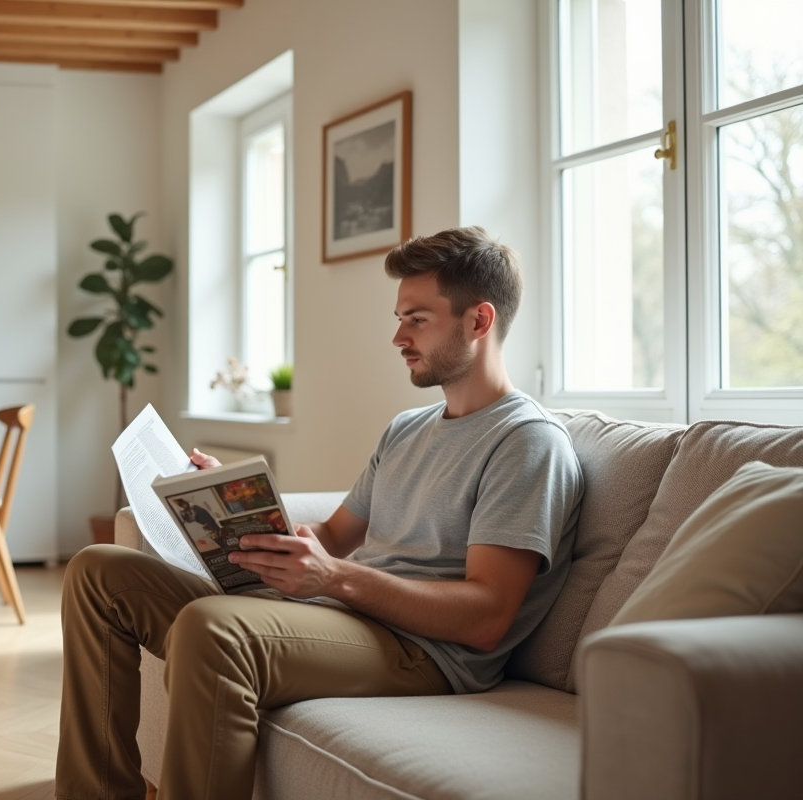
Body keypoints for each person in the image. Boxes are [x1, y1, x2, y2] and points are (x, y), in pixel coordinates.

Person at [55, 226, 583, 800]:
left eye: (417, 319)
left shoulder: (527, 443)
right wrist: (230, 500)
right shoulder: (407, 429)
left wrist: (335, 578)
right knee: (98, 573)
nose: (397, 336)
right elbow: (331, 537)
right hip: (346, 617)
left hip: (425, 653)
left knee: (215, 629)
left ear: (478, 321)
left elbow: (485, 618)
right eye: (399, 317)